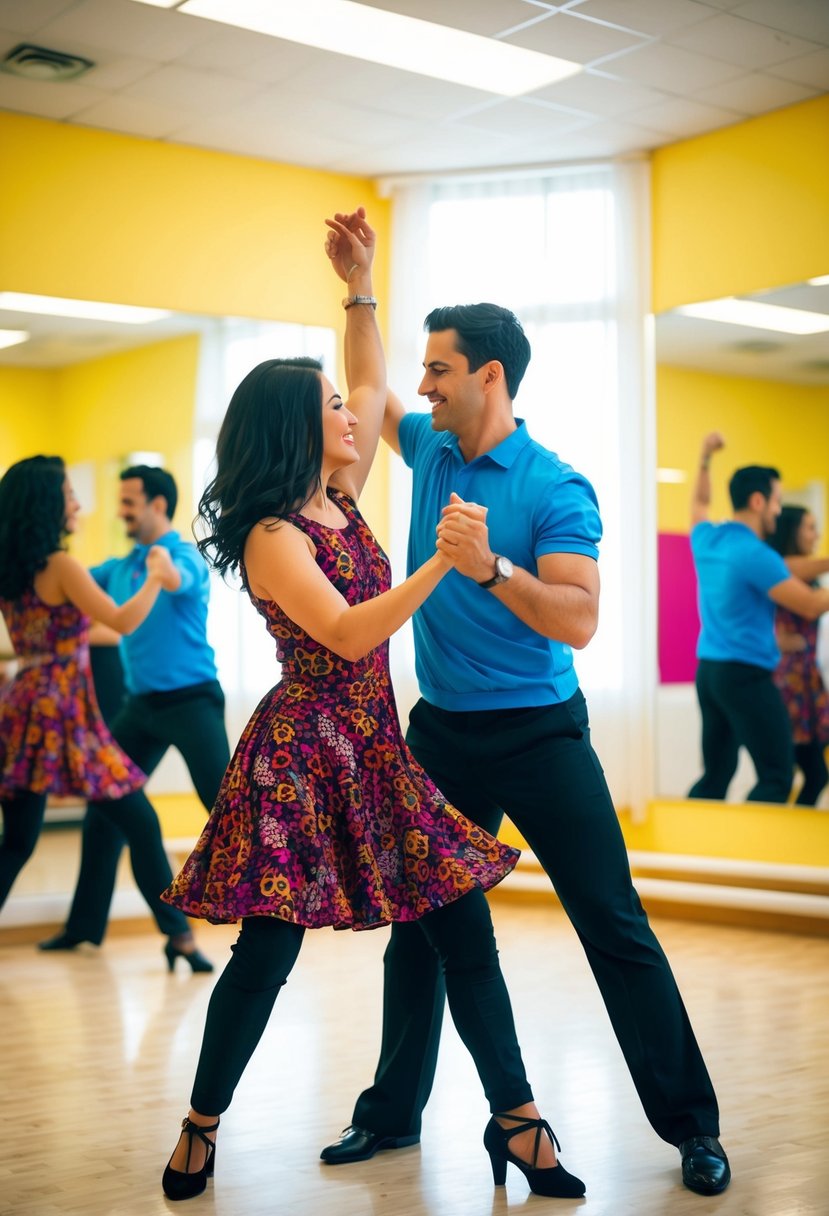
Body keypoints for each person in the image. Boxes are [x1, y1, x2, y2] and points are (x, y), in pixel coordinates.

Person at [159, 209, 584, 1204]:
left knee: (457, 929)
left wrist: (359, 285)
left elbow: (363, 374)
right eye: (331, 407)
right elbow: (349, 635)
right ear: (293, 427)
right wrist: (445, 558)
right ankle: (200, 1124)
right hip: (301, 754)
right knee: (266, 954)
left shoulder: (338, 489)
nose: (360, 413)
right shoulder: (273, 533)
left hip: (378, 751)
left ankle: (517, 1121)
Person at [320, 296, 729, 1198]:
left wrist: (492, 568)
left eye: (438, 370)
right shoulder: (429, 449)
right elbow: (370, 382)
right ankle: (390, 1113)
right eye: (422, 368)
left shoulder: (553, 484)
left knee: (613, 926)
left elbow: (579, 620)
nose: (419, 386)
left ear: (489, 376)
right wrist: (358, 289)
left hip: (541, 735)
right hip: (440, 736)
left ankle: (692, 1127)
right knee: (418, 936)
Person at [0, 456, 208, 970]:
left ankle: (176, 935)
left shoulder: (16, 568)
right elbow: (122, 621)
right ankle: (180, 936)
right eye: (70, 494)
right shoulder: (63, 566)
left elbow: (57, 633)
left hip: (26, 706)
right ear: (48, 504)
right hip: (64, 714)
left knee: (19, 839)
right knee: (138, 819)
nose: (78, 503)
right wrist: (155, 580)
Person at [688, 433, 829, 804]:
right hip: (745, 676)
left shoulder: (707, 538)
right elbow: (812, 605)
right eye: (777, 502)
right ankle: (754, 852)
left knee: (715, 776)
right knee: (778, 775)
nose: (779, 511)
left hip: (709, 673)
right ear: (757, 501)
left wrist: (705, 458)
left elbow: (700, 502)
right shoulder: (755, 554)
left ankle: (700, 850)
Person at [767, 504, 829, 806]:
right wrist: (775, 640)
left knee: (813, 772)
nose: (816, 534)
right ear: (793, 531)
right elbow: (810, 604)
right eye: (810, 527)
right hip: (787, 683)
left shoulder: (807, 576)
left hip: (808, 681)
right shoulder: (776, 567)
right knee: (790, 773)